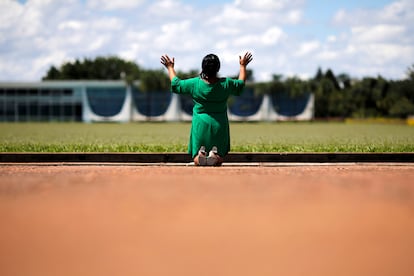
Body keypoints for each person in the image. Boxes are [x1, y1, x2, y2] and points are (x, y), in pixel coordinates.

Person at [160, 52, 253, 166]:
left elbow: (176, 84)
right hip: (219, 125)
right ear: (218, 68)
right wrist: (243, 66)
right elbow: (240, 85)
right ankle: (214, 156)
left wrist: (170, 68)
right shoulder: (226, 83)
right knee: (219, 157)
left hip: (200, 125)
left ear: (203, 67)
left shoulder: (194, 83)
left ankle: (200, 156)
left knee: (196, 158)